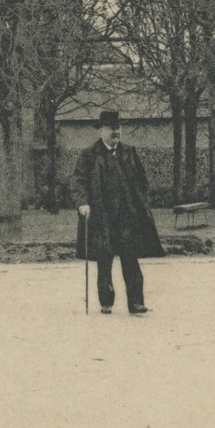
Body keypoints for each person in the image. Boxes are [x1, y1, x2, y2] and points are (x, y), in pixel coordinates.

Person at [72, 110, 163, 315]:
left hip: (127, 217)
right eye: (112, 129)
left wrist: (141, 201)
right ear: (102, 130)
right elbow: (78, 182)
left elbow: (142, 180)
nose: (116, 132)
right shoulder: (88, 154)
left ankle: (136, 302)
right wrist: (82, 203)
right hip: (101, 217)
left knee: (131, 259)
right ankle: (106, 302)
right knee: (104, 260)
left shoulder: (129, 152)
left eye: (118, 128)